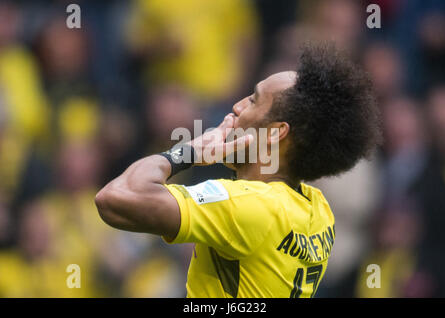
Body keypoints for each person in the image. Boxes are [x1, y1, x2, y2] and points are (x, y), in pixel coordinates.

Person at [94, 43, 381, 298]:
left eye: (253, 100)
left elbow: (116, 198)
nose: (236, 106)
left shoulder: (250, 205)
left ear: (275, 133)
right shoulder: (318, 211)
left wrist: (189, 151)